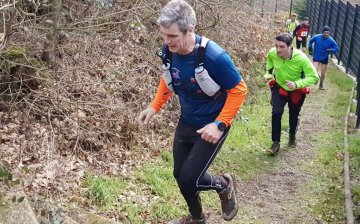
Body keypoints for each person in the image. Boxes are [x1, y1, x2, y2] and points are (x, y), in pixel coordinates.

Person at [138, 0, 248, 223]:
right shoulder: (168, 51)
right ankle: (197, 218)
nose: (166, 41)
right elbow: (169, 78)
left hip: (212, 124)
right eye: (164, 35)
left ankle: (225, 185)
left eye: (172, 36)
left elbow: (239, 89)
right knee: (180, 176)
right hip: (187, 121)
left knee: (189, 178)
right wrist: (154, 106)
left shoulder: (214, 57)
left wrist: (220, 124)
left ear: (190, 31)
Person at [263, 33, 319, 155]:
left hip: (296, 90)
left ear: (290, 47)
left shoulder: (301, 58)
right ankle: (275, 144)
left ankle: (292, 135)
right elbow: (270, 65)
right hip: (280, 87)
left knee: (293, 114)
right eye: (276, 45)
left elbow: (314, 78)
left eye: (281, 47)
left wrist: (297, 84)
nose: (278, 49)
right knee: (276, 113)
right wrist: (268, 74)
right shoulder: (272, 53)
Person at [308, 25, 339, 90]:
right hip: (316, 56)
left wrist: (330, 50)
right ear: (322, 32)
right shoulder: (317, 37)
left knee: (323, 73)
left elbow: (336, 48)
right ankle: (316, 77)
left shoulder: (331, 40)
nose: (326, 34)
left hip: (324, 58)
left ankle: (321, 84)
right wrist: (310, 49)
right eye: (325, 33)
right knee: (314, 70)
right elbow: (310, 41)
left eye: (328, 33)